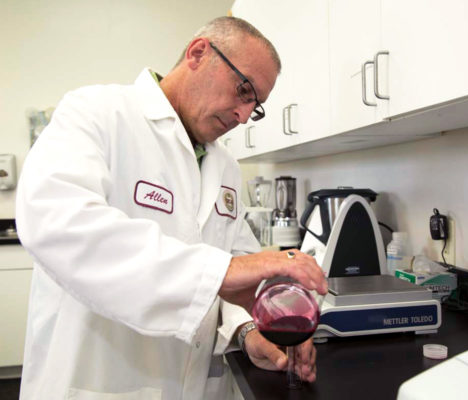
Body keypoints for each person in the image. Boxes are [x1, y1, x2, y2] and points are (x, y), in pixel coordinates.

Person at [16, 16, 327, 400]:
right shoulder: (97, 112)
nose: (244, 115)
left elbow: (236, 262)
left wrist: (252, 328)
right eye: (243, 90)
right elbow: (58, 223)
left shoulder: (225, 165)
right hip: (96, 383)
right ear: (198, 53)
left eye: (256, 106)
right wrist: (227, 270)